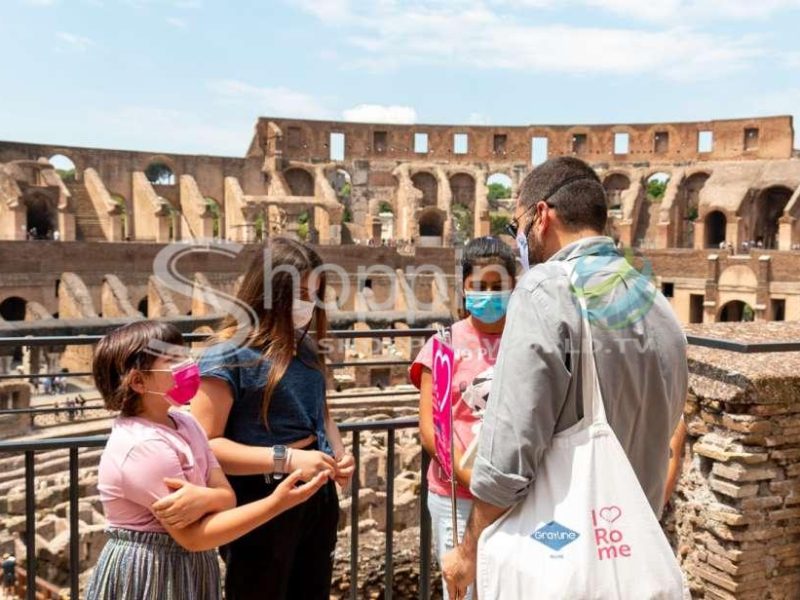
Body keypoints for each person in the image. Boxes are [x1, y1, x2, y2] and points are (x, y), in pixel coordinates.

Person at [442, 157, 688, 598]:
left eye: (517, 223)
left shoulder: (546, 289)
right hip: (633, 552)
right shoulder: (654, 297)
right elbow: (668, 425)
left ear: (541, 215)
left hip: (558, 558)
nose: (518, 238)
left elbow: (509, 455)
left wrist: (468, 550)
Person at [85, 320, 328, 600]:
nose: (187, 364)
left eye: (183, 353)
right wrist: (277, 503)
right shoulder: (144, 447)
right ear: (138, 381)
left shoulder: (185, 423)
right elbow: (194, 536)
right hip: (150, 572)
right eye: (172, 359)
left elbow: (227, 496)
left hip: (189, 566)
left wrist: (208, 498)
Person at [193, 237, 355, 600]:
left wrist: (339, 454)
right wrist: (289, 458)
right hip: (260, 495)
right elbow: (206, 446)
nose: (307, 304)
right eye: (299, 292)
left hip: (315, 494)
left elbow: (321, 414)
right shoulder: (226, 355)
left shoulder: (307, 349)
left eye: (314, 294)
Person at [410, 236, 516, 600]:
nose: (489, 293)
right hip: (455, 492)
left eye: (498, 286)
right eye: (480, 286)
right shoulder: (443, 345)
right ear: (464, 288)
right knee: (461, 589)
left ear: (514, 286)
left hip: (516, 493)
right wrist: (465, 473)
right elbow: (430, 426)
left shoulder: (527, 341)